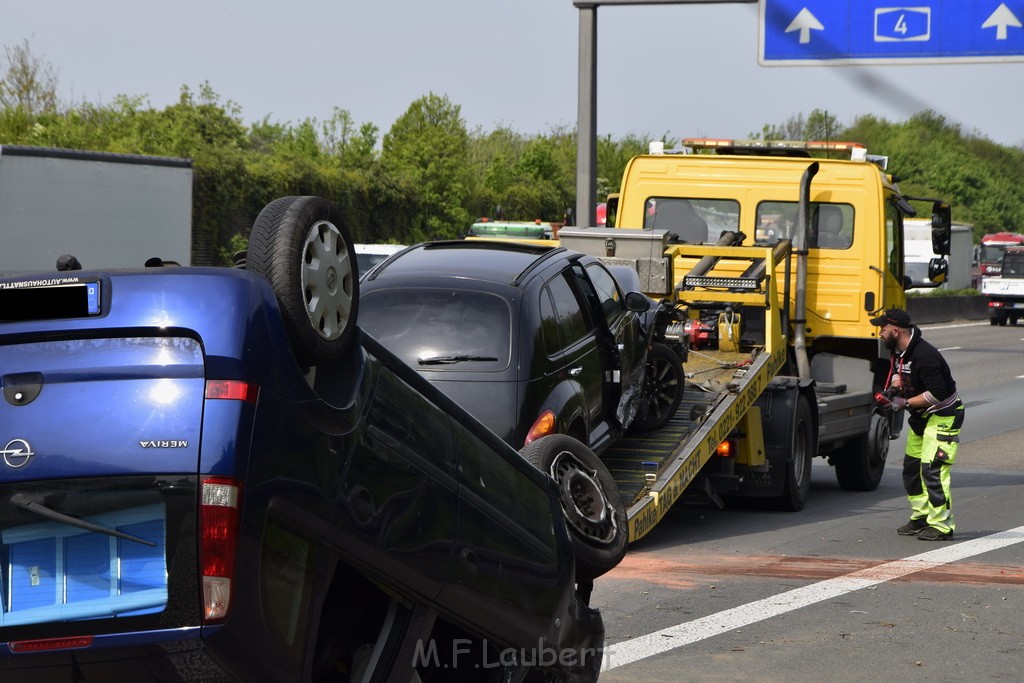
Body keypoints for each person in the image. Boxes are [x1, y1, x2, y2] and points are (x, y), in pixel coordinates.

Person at [871, 308, 964, 541]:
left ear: (895, 330)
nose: (879, 333)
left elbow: (938, 394)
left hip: (943, 415)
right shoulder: (899, 350)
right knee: (912, 469)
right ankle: (921, 517)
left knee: (933, 470)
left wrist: (903, 403)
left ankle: (942, 525)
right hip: (922, 417)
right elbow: (898, 374)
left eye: (882, 329)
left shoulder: (925, 355)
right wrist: (893, 388)